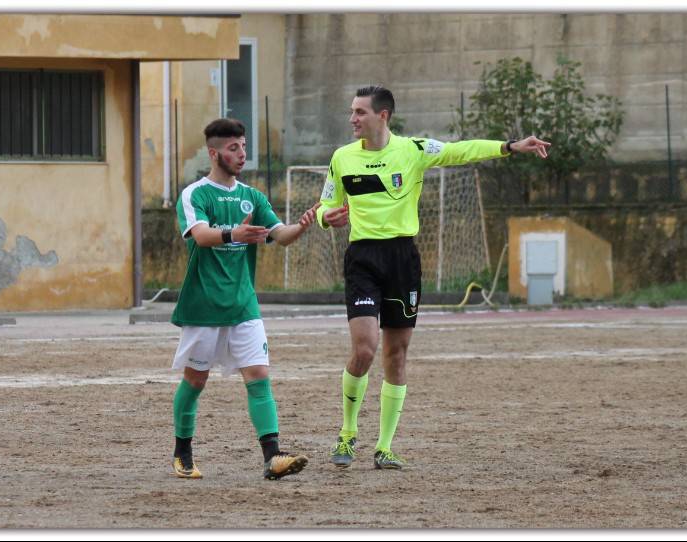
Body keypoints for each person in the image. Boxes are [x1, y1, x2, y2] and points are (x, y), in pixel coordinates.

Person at [318, 85, 550, 469]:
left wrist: (509, 146)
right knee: (365, 349)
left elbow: (462, 150)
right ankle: (346, 434)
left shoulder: (413, 151)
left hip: (403, 259)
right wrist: (328, 217)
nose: (352, 119)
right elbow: (327, 201)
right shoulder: (342, 158)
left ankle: (385, 446)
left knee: (397, 353)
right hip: (362, 257)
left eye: (359, 112)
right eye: (351, 112)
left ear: (383, 116)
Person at [170, 118, 319, 480]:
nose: (242, 154)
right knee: (195, 381)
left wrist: (300, 225)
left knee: (258, 375)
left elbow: (278, 234)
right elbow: (202, 236)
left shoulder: (252, 196)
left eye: (244, 146)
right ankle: (182, 451)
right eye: (234, 148)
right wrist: (233, 232)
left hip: (243, 305)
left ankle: (273, 457)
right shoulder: (196, 194)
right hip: (204, 305)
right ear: (214, 152)